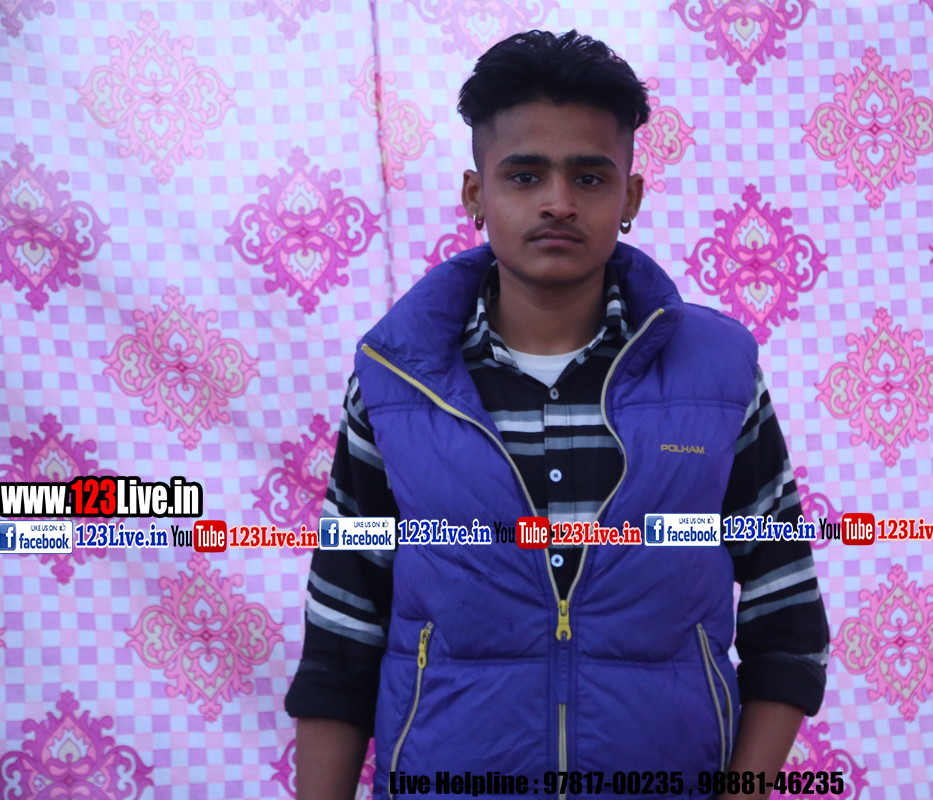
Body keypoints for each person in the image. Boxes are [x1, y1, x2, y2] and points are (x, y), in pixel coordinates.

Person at [285, 30, 831, 800]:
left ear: (629, 199)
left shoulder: (718, 373)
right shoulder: (395, 381)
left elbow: (786, 616)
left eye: (589, 176)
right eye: (524, 174)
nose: (558, 202)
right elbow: (342, 634)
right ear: (476, 195)